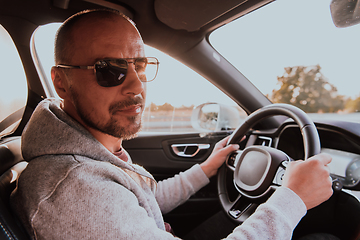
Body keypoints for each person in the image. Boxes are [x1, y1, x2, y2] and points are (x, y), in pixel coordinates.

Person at [11, 9, 333, 240]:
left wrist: (206, 169)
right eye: (109, 69)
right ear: (61, 82)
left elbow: (146, 198)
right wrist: (292, 198)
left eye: (140, 65)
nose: (136, 86)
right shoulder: (76, 190)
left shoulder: (89, 151)